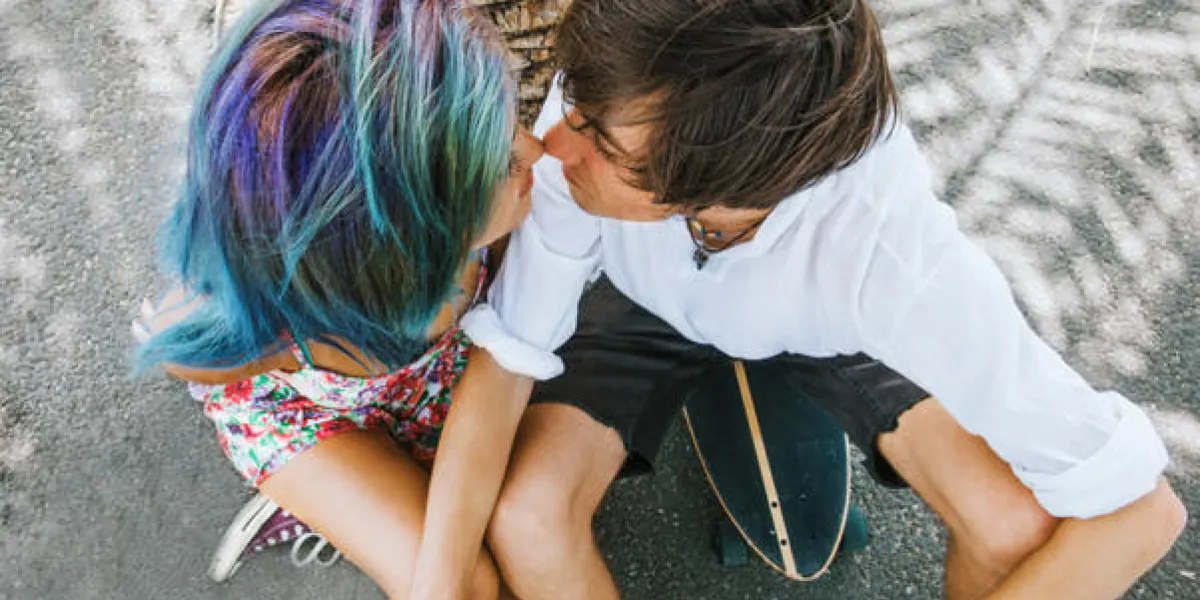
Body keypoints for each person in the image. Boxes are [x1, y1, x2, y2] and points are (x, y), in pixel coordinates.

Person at [452, 1, 1188, 599]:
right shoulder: (627, 89)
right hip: (631, 293)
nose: (549, 145)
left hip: (834, 328)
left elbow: (1140, 510)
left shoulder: (892, 258)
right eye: (575, 103)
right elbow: (511, 352)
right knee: (527, 519)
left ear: (726, 186)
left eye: (603, 145)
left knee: (1010, 527)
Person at [132, 1, 543, 598]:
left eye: (511, 125)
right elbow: (184, 344)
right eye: (502, 161)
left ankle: (384, 487)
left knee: (481, 532)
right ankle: (324, 501)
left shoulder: (487, 217)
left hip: (436, 387)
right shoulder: (269, 334)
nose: (537, 151)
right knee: (471, 583)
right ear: (401, 247)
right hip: (314, 416)